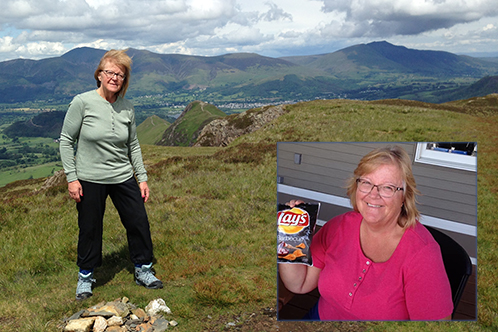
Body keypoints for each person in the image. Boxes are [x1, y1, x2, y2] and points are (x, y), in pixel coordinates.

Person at [278, 145, 453, 320]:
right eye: (367, 183)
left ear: (404, 197)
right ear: (357, 187)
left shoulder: (423, 254)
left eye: (388, 188)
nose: (373, 195)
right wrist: (291, 237)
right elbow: (299, 284)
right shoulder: (338, 226)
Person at [60, 49, 163, 301]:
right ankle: (86, 277)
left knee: (138, 221)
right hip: (89, 177)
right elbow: (65, 140)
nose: (115, 77)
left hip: (122, 176)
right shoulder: (82, 102)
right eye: (110, 72)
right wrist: (72, 178)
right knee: (90, 228)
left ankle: (143, 269)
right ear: (99, 74)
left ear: (124, 80)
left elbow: (133, 145)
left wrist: (142, 177)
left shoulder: (127, 107)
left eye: (120, 74)